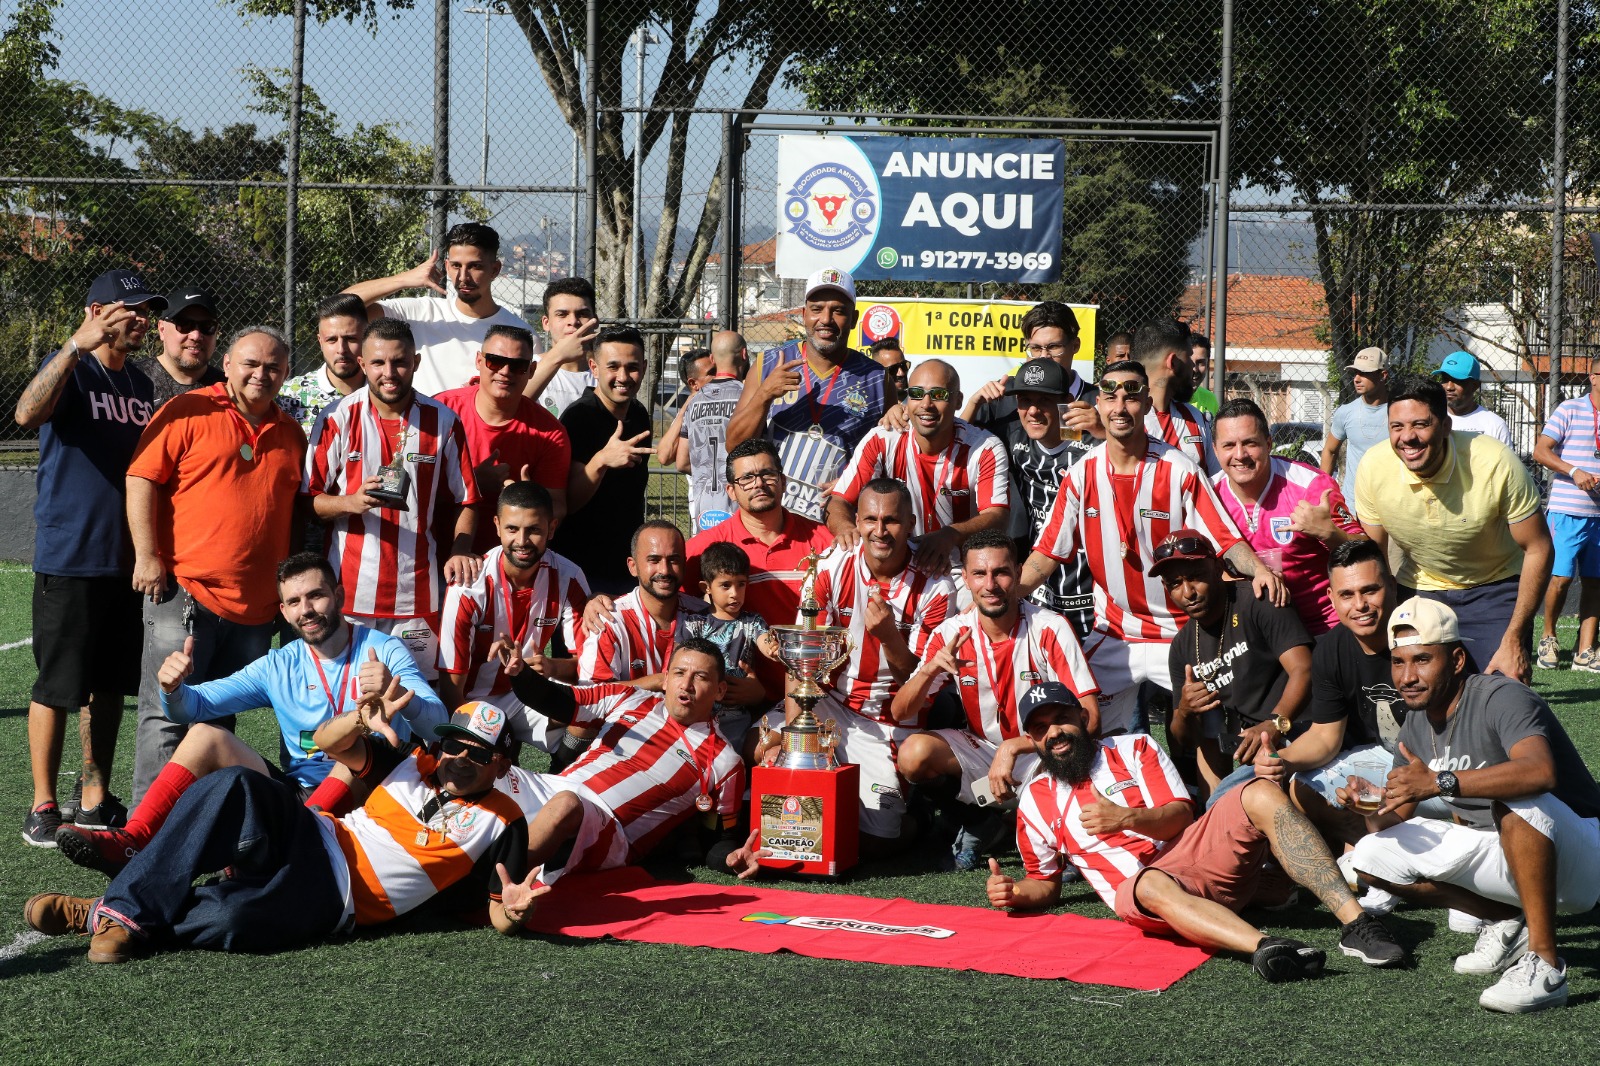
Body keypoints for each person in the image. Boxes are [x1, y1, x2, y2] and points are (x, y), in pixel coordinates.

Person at [25, 696, 541, 961]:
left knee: (233, 917)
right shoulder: (413, 760)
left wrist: (514, 912)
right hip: (314, 833)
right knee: (235, 786)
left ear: (500, 764)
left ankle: (98, 914)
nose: (459, 758)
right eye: (454, 744)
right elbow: (329, 740)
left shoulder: (507, 820)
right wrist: (362, 718)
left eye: (478, 752)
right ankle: (125, 905)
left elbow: (499, 911)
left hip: (336, 898)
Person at [54, 552, 447, 874]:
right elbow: (194, 706)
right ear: (283, 610)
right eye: (294, 602)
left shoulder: (384, 650)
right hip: (301, 797)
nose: (306, 610)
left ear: (340, 595)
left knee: (349, 751)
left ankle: (287, 843)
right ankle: (134, 839)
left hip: (373, 791)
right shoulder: (280, 663)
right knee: (206, 735)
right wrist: (172, 688)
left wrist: (403, 695)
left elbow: (438, 723)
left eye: (316, 596)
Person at [990, 686, 1409, 980]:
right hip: (1145, 895)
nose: (1055, 732)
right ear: (1032, 739)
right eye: (1041, 727)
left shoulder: (1135, 748)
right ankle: (1267, 946)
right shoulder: (1034, 799)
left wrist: (1127, 819)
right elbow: (1044, 882)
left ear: (1083, 718)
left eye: (1062, 718)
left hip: (1194, 856)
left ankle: (1358, 925)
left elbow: (1180, 817)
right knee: (1150, 883)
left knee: (1259, 791)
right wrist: (1015, 893)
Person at [1347, 598, 1600, 1013]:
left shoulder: (1502, 696)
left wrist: (1439, 782)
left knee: (1515, 802)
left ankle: (1546, 964)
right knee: (1371, 857)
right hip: (1502, 848)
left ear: (1458, 659)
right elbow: (1393, 817)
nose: (1407, 677)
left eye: (1422, 660)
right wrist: (1366, 805)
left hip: (1578, 851)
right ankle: (1510, 920)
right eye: (1397, 662)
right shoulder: (1415, 718)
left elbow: (1540, 773)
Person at [1021, 360, 1285, 736]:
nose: (1120, 406)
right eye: (1110, 396)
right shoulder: (1081, 474)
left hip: (1178, 628)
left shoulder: (1179, 469)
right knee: (1085, 724)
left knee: (1209, 727)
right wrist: (1008, 592)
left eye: (1131, 395)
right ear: (1098, 404)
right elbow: (1047, 553)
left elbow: (1225, 540)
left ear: (1146, 403)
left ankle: (1217, 791)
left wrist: (1258, 569)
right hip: (1114, 629)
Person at [125, 325, 306, 805]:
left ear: (286, 373)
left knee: (217, 721)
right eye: (250, 363)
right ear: (226, 364)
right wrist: (147, 555)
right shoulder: (188, 410)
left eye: (273, 367)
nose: (261, 374)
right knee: (166, 715)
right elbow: (141, 477)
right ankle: (147, 839)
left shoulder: (292, 432)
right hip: (185, 593)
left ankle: (200, 829)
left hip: (254, 611)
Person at [14, 269, 160, 844]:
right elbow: (25, 413)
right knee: (58, 684)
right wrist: (75, 344)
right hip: (70, 555)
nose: (141, 320)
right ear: (97, 310)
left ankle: (93, 794)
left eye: (147, 310)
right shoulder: (72, 368)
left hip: (125, 561)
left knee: (108, 686)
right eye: (129, 309)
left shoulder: (140, 387)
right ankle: (42, 805)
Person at [755, 480, 955, 850]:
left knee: (880, 842)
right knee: (760, 749)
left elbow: (917, 685)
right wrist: (796, 739)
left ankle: (921, 811)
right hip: (827, 700)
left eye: (891, 521)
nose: (880, 531)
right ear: (857, 522)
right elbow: (802, 659)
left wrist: (890, 637)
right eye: (871, 519)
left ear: (911, 523)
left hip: (886, 718)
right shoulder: (830, 566)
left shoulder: (937, 586)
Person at [891, 531, 1100, 869]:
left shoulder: (1049, 628)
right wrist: (929, 670)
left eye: (1001, 572)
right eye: (979, 574)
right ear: (966, 579)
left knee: (1080, 751)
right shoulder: (951, 634)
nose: (990, 584)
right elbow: (901, 712)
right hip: (983, 748)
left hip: (1041, 753)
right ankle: (978, 823)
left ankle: (1062, 836)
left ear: (1018, 572)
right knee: (913, 754)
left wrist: (1015, 746)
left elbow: (1090, 717)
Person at [304, 318, 482, 680]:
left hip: (416, 592)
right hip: (349, 593)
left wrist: (461, 548)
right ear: (363, 364)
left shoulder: (443, 421)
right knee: (345, 700)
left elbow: (468, 499)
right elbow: (307, 501)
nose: (389, 373)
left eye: (399, 362)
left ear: (415, 362)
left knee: (414, 700)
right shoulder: (337, 417)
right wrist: (350, 503)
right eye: (379, 363)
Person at [507, 641, 755, 889]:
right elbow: (561, 700)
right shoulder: (629, 698)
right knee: (492, 768)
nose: (686, 685)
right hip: (555, 787)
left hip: (605, 829)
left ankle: (496, 884)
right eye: (679, 673)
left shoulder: (725, 761)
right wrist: (521, 675)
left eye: (700, 677)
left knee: (566, 806)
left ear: (720, 690)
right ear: (666, 679)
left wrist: (730, 859)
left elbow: (720, 840)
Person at [1354, 376, 1551, 683]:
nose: (1408, 438)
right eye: (1397, 427)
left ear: (1445, 426)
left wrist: (1515, 637)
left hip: (1494, 585)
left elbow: (1539, 547)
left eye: (1420, 424)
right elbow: (1372, 556)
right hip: (1419, 587)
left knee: (1503, 689)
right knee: (1416, 690)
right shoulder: (1373, 466)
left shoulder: (1495, 461)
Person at [1157, 530, 1313, 794]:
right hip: (1250, 748)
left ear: (1218, 568)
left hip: (1303, 730)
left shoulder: (1257, 600)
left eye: (1196, 577)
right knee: (1208, 728)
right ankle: (1212, 809)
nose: (1188, 592)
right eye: (1175, 584)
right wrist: (1185, 710)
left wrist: (1275, 723)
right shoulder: (1182, 646)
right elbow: (1185, 740)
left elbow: (1305, 669)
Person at [438, 483, 590, 754]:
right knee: (477, 759)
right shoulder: (468, 585)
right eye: (512, 529)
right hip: (475, 699)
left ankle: (562, 785)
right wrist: (466, 738)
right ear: (497, 526)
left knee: (589, 716)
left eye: (533, 530)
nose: (522, 541)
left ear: (551, 528)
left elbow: (588, 665)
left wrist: (551, 667)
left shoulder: (570, 577)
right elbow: (452, 689)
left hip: (528, 692)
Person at [725, 268, 888, 520]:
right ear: (803, 315)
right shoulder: (768, 364)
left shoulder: (877, 378)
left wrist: (857, 480)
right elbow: (734, 445)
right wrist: (765, 395)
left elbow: (892, 459)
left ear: (854, 319)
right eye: (817, 309)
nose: (826, 319)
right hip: (773, 518)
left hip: (837, 521)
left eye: (838, 310)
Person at [829, 359, 1010, 571]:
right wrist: (845, 528)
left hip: (959, 572)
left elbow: (998, 517)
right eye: (916, 393)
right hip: (896, 569)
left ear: (958, 400)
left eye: (938, 395)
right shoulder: (882, 439)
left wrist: (950, 534)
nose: (926, 404)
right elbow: (838, 501)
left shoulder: (985, 447)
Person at [1211, 397, 1362, 636]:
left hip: (1322, 626)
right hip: (1252, 631)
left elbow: (1367, 552)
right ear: (1215, 450)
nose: (1240, 455)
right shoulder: (1209, 495)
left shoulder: (1310, 486)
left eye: (1250, 443)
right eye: (1229, 445)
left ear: (1269, 443)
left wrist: (1330, 534)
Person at [342, 221, 530, 396]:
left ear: (495, 269)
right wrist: (404, 279)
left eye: (475, 266)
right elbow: (341, 308)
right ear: (447, 266)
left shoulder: (519, 333)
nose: (463, 276)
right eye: (456, 266)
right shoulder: (420, 312)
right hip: (415, 430)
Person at [434, 324, 571, 552]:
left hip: (508, 564)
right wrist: (474, 483)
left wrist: (529, 499)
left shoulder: (550, 432)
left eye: (518, 366)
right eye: (495, 361)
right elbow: (414, 490)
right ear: (479, 361)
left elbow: (558, 506)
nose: (505, 371)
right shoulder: (441, 410)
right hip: (435, 554)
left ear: (531, 370)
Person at [994, 358, 1095, 639]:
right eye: (1025, 400)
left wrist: (1105, 431)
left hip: (1090, 593)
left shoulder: (1095, 450)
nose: (1034, 411)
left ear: (1066, 402)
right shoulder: (1015, 439)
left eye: (1045, 401)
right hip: (1035, 586)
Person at [549, 326, 654, 595]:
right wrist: (602, 461)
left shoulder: (638, 413)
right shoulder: (578, 417)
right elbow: (568, 503)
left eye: (632, 367)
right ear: (594, 368)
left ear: (643, 367)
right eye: (613, 366)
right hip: (583, 568)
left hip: (626, 563)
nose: (623, 377)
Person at [1532, 354, 1600, 671]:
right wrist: (1574, 471)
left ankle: (1585, 650)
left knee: (1595, 581)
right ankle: (1548, 637)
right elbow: (1541, 450)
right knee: (1559, 578)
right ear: (1593, 377)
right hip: (1566, 511)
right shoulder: (1570, 409)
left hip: (1599, 517)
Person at [579, 521, 707, 686]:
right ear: (633, 566)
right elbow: (591, 695)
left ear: (684, 564)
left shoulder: (705, 616)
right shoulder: (609, 621)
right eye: (654, 560)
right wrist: (656, 682)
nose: (664, 570)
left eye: (673, 560)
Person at [954, 301, 1097, 440]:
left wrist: (1102, 430)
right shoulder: (1004, 394)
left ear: (1075, 346)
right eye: (1035, 348)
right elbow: (956, 445)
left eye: (1053, 347)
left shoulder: (1098, 401)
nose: (1043, 356)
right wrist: (974, 404)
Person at [679, 542, 773, 743]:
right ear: (706, 588)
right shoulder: (693, 623)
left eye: (741, 584)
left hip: (736, 718)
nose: (734, 593)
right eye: (725, 585)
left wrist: (773, 648)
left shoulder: (752, 622)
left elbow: (764, 640)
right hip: (697, 714)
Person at [677, 331, 746, 533]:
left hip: (704, 508)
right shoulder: (747, 396)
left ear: (713, 359)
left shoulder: (695, 401)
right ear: (744, 354)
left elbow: (681, 462)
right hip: (738, 505)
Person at [1133, 318, 1216, 475]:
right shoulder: (1114, 420)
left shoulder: (1196, 419)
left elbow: (1216, 482)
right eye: (1189, 358)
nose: (1193, 368)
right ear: (1173, 362)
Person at [276, 293, 365, 434]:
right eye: (332, 340)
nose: (341, 349)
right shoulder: (289, 396)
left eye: (351, 338)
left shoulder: (385, 393)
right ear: (320, 341)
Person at [1322, 346, 1390, 514]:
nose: (1357, 379)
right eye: (1355, 373)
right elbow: (1330, 450)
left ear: (1383, 375)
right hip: (1353, 506)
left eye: (1365, 373)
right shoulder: (1346, 412)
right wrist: (1322, 490)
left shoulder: (1400, 412)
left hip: (1390, 505)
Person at [133, 289, 223, 411]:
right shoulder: (133, 380)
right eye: (184, 324)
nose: (196, 336)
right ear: (162, 329)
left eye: (207, 326)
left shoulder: (229, 390)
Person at [525, 276, 599, 418]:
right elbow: (511, 405)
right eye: (562, 314)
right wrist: (559, 355)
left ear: (595, 321)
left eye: (582, 314)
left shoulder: (607, 371)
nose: (573, 321)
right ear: (546, 323)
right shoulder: (526, 367)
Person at [653, 347, 714, 478]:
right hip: (701, 496)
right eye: (712, 372)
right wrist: (685, 409)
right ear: (693, 383)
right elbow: (664, 457)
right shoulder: (687, 415)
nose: (718, 376)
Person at [1431, 351, 1512, 446]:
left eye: (1457, 380)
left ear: (1475, 386)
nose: (1449, 387)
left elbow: (1506, 461)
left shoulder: (1495, 425)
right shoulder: (1432, 420)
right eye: (1445, 379)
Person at [1188, 333, 1219, 416]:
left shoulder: (1210, 399)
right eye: (1189, 362)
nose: (1195, 369)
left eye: (1200, 363)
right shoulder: (1165, 399)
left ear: (1208, 365)